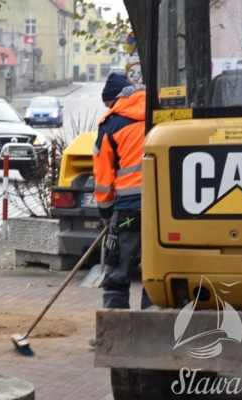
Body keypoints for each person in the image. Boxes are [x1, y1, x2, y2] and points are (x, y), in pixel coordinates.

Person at [93, 73, 153, 311]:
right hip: (163, 209)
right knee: (157, 268)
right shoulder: (160, 114)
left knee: (117, 266)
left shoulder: (110, 124)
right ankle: (154, 325)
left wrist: (106, 214)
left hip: (128, 208)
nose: (109, 108)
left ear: (115, 99)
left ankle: (114, 325)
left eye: (109, 104)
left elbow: (103, 179)